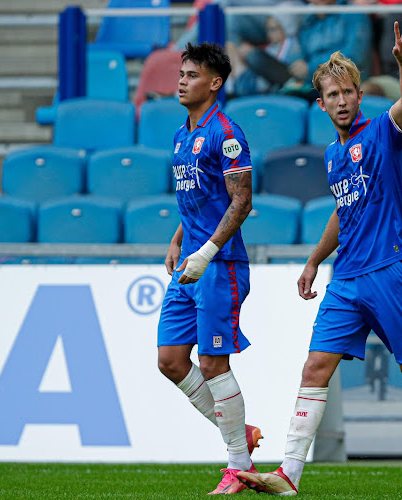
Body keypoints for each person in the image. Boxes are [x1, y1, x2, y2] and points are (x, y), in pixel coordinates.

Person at [237, 23, 402, 496]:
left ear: (360, 95)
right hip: (345, 277)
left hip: (388, 270)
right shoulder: (332, 154)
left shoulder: (383, 133)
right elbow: (341, 212)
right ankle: (288, 474)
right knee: (315, 368)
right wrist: (313, 261)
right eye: (332, 94)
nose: (342, 100)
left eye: (348, 91)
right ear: (322, 103)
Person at [157, 42, 259, 495]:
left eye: (192, 74)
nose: (181, 80)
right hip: (191, 261)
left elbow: (242, 199)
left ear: (215, 83)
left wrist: (207, 251)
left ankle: (237, 465)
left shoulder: (227, 132)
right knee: (171, 360)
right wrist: (179, 240)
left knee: (214, 362)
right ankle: (242, 433)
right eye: (181, 73)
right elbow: (195, 198)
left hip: (220, 265)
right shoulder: (182, 135)